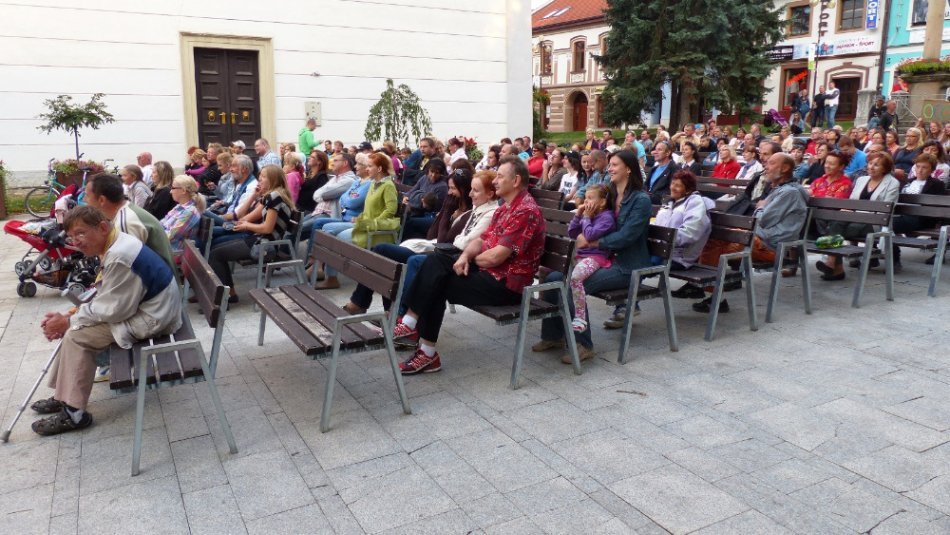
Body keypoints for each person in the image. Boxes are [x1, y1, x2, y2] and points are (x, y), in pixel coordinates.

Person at [29, 206, 181, 436]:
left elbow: (115, 310)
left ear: (102, 228)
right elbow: (110, 297)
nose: (76, 242)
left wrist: (68, 322)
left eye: (81, 233)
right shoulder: (115, 241)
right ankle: (65, 396)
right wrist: (70, 315)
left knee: (77, 335)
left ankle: (74, 414)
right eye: (71, 237)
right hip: (151, 308)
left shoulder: (120, 255)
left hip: (154, 318)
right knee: (77, 326)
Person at [390, 156, 545, 374]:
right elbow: (481, 241)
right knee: (436, 264)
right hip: (488, 274)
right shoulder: (505, 208)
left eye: (500, 176)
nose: (495, 181)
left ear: (516, 180)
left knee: (437, 277)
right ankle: (415, 333)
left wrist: (469, 259)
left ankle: (417, 337)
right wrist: (464, 257)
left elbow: (496, 257)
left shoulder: (525, 211)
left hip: (507, 286)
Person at [533, 150, 652, 363]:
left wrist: (593, 242)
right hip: (603, 259)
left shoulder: (640, 200)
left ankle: (584, 345)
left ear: (628, 169)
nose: (609, 168)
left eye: (614, 165)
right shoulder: (611, 195)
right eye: (610, 164)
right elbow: (590, 220)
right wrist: (582, 228)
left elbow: (627, 236)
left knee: (572, 285)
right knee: (553, 279)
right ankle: (553, 336)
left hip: (627, 265)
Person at [344, 169, 496, 316]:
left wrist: (446, 213)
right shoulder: (455, 207)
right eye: (449, 188)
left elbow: (444, 242)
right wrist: (445, 211)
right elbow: (431, 235)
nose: (449, 193)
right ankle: (369, 304)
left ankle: (388, 311)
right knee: (381, 250)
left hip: (438, 256)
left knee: (397, 259)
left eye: (453, 189)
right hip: (430, 249)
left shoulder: (469, 213)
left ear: (463, 190)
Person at [693, 153, 809, 309]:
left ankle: (710, 295)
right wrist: (761, 208)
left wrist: (761, 207)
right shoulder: (779, 190)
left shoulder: (789, 192)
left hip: (770, 247)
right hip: (757, 239)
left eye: (771, 163)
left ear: (785, 168)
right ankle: (706, 291)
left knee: (713, 241)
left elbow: (762, 220)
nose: (766, 166)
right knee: (710, 237)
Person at [207, 164, 295, 302]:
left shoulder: (274, 197)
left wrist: (246, 226)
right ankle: (228, 294)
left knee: (215, 254)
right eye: (260, 176)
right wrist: (254, 199)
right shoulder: (272, 195)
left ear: (273, 179)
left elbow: (267, 228)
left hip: (265, 246)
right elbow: (247, 218)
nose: (259, 179)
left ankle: (228, 296)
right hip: (260, 240)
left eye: (264, 176)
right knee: (215, 250)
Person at [815, 152, 900, 280]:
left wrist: (859, 213)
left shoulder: (892, 183)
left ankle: (833, 264)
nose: (871, 167)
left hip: (875, 222)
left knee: (835, 230)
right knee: (836, 223)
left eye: (876, 165)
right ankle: (835, 267)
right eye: (870, 163)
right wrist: (848, 209)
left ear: (885, 168)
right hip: (854, 218)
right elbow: (852, 202)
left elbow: (887, 209)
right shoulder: (861, 180)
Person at [83, 173, 175, 272]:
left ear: (102, 200)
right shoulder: (126, 211)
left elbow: (127, 268)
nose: (84, 200)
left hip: (156, 280)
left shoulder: (125, 222)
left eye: (87, 195)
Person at [566, 185, 616, 333]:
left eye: (590, 198)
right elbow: (572, 232)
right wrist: (578, 215)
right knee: (556, 274)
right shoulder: (590, 215)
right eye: (585, 198)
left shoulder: (606, 218)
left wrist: (586, 217)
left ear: (602, 202)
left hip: (597, 257)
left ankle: (580, 317)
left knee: (576, 277)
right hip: (582, 255)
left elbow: (590, 235)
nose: (586, 201)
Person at [892, 153, 948, 270]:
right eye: (918, 166)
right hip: (902, 215)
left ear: (931, 170)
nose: (920, 170)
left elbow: (938, 208)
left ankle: (894, 257)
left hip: (921, 218)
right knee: (881, 224)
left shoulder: (936, 184)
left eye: (924, 167)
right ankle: (881, 255)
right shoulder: (908, 182)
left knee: (888, 224)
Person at [402, 159, 449, 240]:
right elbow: (411, 191)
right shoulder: (424, 178)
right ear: (428, 171)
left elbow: (434, 207)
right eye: (432, 172)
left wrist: (417, 200)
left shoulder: (442, 186)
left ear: (441, 173)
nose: (433, 175)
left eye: (437, 173)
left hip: (429, 215)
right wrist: (405, 197)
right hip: (416, 209)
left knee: (408, 222)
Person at [161, 175, 205, 254]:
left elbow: (170, 236)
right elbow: (161, 224)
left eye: (173, 188)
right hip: (164, 248)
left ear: (183, 191)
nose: (170, 191)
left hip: (171, 253)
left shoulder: (190, 212)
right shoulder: (179, 207)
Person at [298, 150, 329, 215]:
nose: (309, 158)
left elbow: (321, 197)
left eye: (312, 157)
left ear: (319, 162)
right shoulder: (310, 173)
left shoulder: (322, 177)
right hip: (302, 208)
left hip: (310, 210)